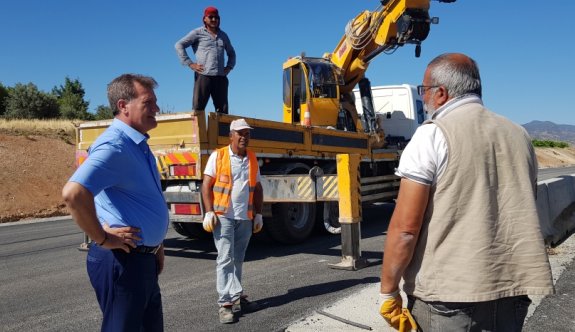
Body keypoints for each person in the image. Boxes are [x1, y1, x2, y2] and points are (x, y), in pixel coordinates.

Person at [378, 53, 554, 331]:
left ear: (441, 93)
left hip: (450, 298)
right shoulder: (518, 134)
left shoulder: (431, 135)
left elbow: (405, 229)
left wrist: (388, 291)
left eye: (423, 90)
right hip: (514, 289)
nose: (423, 98)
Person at [62, 74, 169, 332]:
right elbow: (74, 193)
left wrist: (157, 245)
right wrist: (102, 238)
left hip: (142, 258)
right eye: (149, 102)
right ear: (124, 106)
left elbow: (139, 201)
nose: (157, 108)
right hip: (122, 260)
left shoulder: (137, 144)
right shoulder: (115, 146)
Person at [201, 118, 264, 324]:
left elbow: (258, 187)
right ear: (231, 136)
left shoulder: (252, 158)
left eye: (247, 133)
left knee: (238, 258)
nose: (244, 137)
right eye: (240, 133)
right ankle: (225, 304)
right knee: (225, 258)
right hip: (223, 216)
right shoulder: (218, 156)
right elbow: (206, 185)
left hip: (244, 217)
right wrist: (209, 212)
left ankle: (236, 295)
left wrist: (259, 213)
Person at [175, 6, 236, 114]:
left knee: (223, 111)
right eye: (211, 17)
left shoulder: (223, 35)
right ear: (204, 19)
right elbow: (179, 45)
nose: (213, 20)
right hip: (204, 76)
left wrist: (229, 67)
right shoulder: (197, 33)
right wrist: (190, 64)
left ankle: (221, 131)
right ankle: (198, 130)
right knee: (198, 108)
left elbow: (232, 53)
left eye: (216, 17)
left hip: (221, 77)